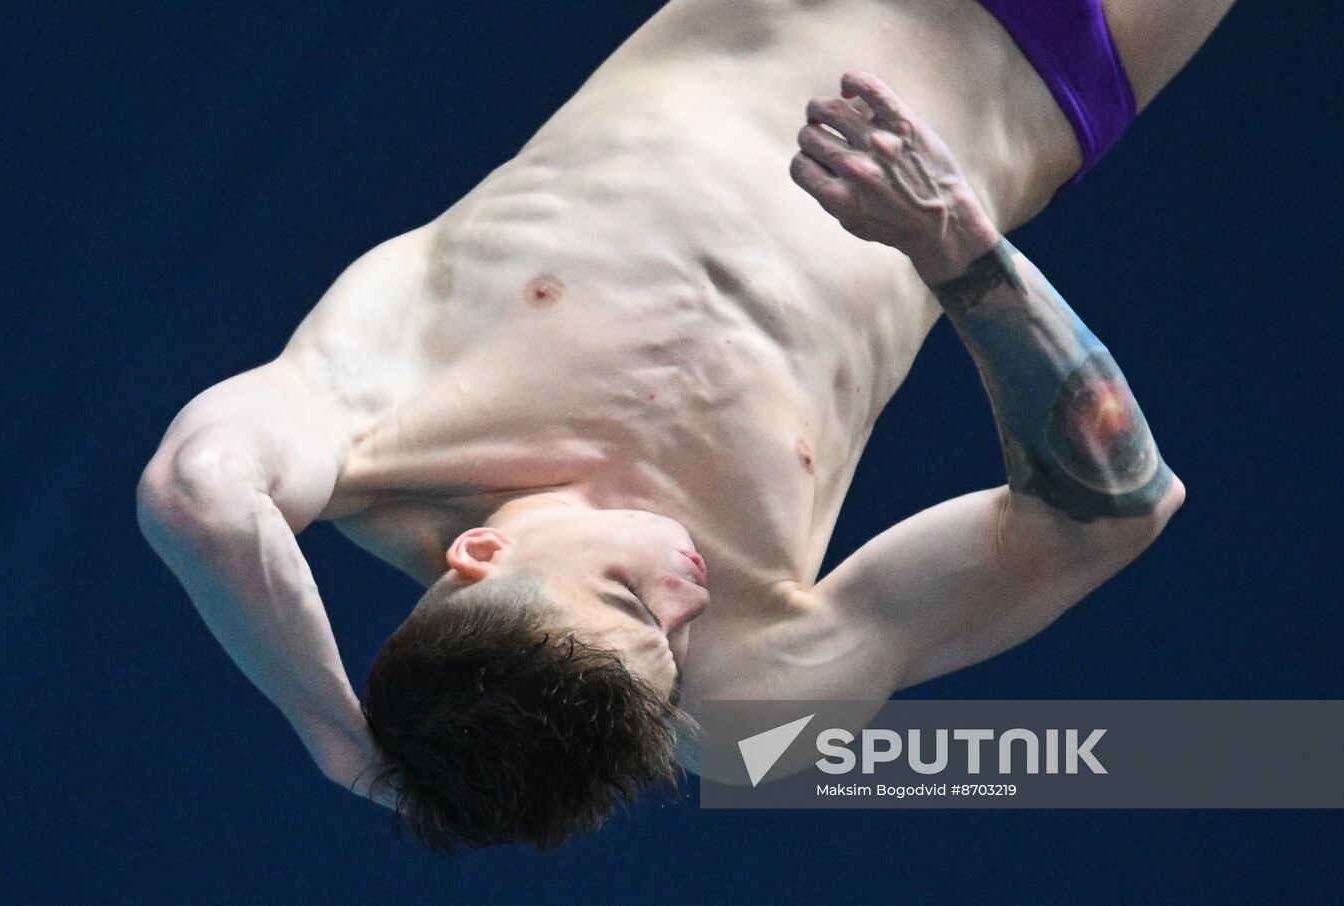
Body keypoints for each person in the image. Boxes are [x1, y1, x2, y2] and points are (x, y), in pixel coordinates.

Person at [137, 0, 1232, 852]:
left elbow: (199, 498)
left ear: (479, 555)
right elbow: (1112, 508)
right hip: (1059, 65)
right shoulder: (755, 684)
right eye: (671, 649)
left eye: (626, 601)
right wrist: (959, 253)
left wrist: (339, 738)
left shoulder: (373, 422)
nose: (686, 601)